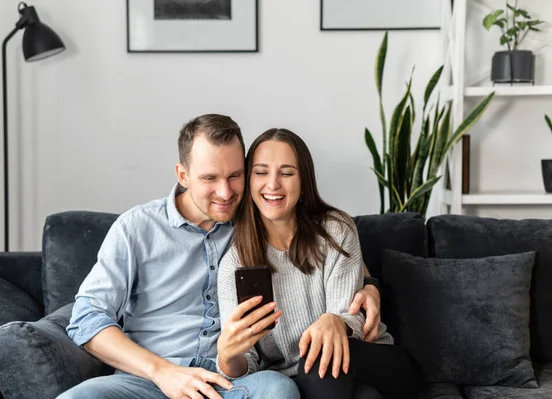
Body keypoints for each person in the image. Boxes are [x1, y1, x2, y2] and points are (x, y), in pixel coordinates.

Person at [59, 115, 383, 399]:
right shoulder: (136, 229)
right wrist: (162, 372)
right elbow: (87, 319)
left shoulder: (254, 213)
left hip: (227, 385)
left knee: (278, 390)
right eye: (209, 179)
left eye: (234, 176)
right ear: (183, 175)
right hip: (148, 380)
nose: (225, 193)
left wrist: (368, 284)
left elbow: (320, 239)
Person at [216, 128, 423, 399]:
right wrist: (227, 356)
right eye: (261, 172)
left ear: (304, 180)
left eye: (287, 173)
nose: (273, 184)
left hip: (373, 360)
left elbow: (353, 320)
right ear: (248, 179)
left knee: (321, 357)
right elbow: (247, 365)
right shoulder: (235, 263)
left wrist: (336, 321)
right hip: (306, 383)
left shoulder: (335, 231)